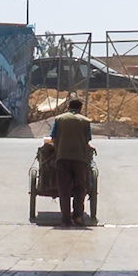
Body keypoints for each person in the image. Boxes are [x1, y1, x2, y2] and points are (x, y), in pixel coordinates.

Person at [47, 96, 95, 226]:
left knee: (64, 189)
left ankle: (66, 218)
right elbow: (87, 139)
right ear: (80, 109)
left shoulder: (59, 119)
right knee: (80, 187)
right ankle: (78, 216)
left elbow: (53, 137)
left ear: (68, 108)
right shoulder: (85, 121)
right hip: (80, 159)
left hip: (62, 158)